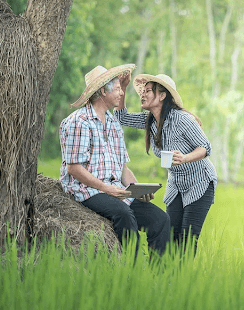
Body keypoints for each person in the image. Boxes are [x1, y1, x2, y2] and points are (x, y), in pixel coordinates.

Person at [59, 64, 170, 256]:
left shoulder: (113, 124)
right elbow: (74, 168)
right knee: (124, 214)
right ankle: (131, 271)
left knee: (160, 220)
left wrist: (137, 189)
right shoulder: (79, 121)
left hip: (114, 190)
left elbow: (122, 168)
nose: (121, 93)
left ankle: (157, 277)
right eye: (117, 88)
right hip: (87, 190)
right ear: (103, 91)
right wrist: (106, 188)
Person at [114, 73, 217, 255]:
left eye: (148, 91)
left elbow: (205, 147)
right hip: (176, 183)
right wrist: (122, 88)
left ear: (162, 96)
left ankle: (183, 280)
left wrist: (185, 158)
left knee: (186, 240)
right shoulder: (150, 121)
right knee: (169, 236)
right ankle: (167, 279)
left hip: (199, 182)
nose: (142, 95)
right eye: (142, 91)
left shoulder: (181, 119)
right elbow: (122, 118)